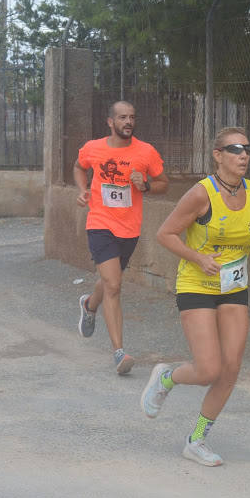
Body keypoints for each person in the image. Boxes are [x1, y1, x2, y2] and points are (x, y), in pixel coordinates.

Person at [141, 126, 250, 466]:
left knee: (230, 369)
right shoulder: (201, 194)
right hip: (197, 285)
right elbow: (165, 233)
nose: (243, 154)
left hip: (233, 288)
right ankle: (166, 378)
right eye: (234, 149)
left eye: (247, 148)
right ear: (218, 156)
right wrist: (198, 257)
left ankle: (197, 439)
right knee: (207, 369)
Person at [74, 101, 169, 374]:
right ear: (110, 122)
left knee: (110, 281)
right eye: (123, 117)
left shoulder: (145, 152)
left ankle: (89, 304)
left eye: (132, 118)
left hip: (129, 228)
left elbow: (164, 183)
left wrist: (147, 185)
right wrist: (82, 190)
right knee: (114, 285)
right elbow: (79, 167)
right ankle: (119, 352)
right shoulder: (93, 148)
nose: (128, 122)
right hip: (100, 223)